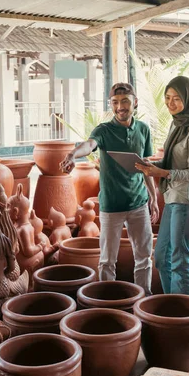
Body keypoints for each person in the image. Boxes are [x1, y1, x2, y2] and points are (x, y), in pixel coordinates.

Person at [60, 83, 159, 296]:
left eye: (125, 101)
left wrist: (154, 197)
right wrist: (72, 155)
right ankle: (108, 299)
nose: (120, 107)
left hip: (139, 204)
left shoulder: (143, 129)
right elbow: (89, 145)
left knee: (144, 257)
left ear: (135, 103)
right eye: (115, 102)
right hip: (111, 206)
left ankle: (144, 298)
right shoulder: (103, 130)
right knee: (107, 260)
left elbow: (146, 164)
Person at [135, 76, 189, 295]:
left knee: (179, 259)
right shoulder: (177, 125)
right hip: (172, 200)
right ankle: (172, 305)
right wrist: (149, 165)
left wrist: (162, 172)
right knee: (161, 257)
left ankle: (185, 315)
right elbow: (173, 163)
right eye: (167, 98)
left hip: (186, 202)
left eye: (177, 98)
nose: (170, 103)